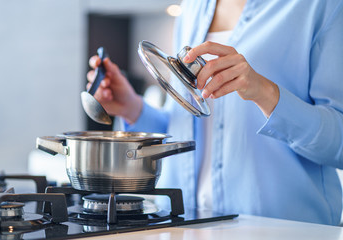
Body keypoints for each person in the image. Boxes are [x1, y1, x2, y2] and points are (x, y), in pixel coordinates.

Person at [87, 0, 343, 225]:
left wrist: (263, 91)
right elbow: (185, 127)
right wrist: (131, 106)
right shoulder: (193, 7)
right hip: (188, 225)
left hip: (283, 229)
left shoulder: (322, 5)